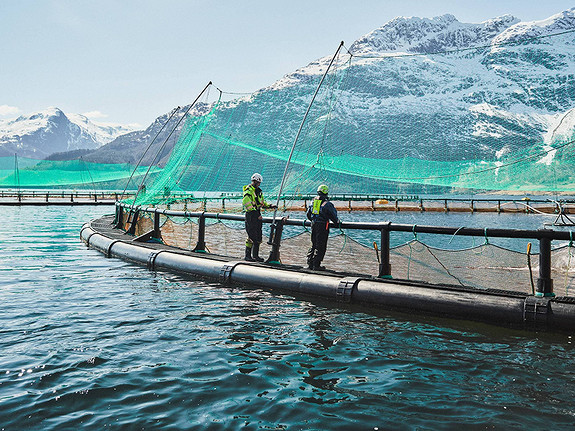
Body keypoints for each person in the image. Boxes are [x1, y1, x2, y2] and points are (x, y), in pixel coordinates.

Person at [243, 173, 276, 262]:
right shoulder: (248, 191)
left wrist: (270, 206)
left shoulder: (259, 192)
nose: (259, 184)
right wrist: (256, 215)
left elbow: (262, 203)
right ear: (254, 181)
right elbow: (247, 205)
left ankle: (255, 256)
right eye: (257, 182)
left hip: (257, 215)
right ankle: (247, 255)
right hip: (251, 216)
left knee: (258, 237)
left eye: (259, 183)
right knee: (251, 236)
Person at [306, 184, 340, 270]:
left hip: (314, 224)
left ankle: (310, 263)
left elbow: (308, 214)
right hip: (322, 225)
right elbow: (333, 216)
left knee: (314, 243)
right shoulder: (327, 204)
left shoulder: (313, 202)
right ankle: (316, 265)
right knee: (321, 245)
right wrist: (337, 223)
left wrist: (313, 221)